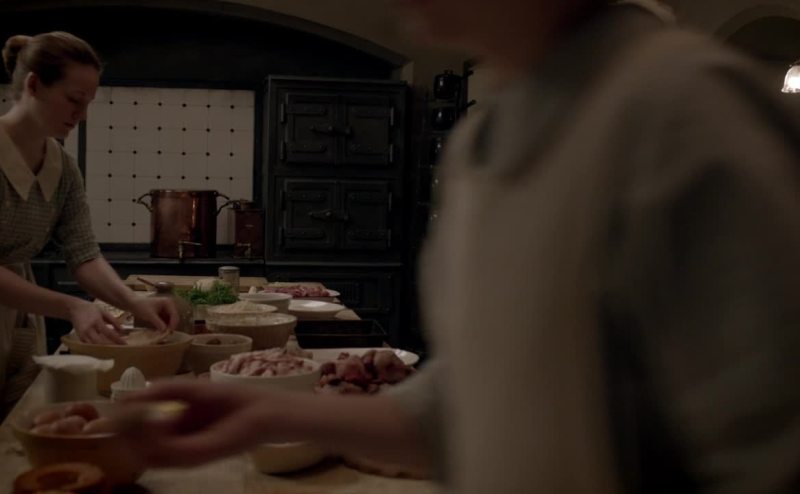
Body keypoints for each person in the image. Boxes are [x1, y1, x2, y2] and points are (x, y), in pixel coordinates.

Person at [121, 0, 800, 492]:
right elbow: (472, 407)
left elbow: (770, 454)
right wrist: (263, 412)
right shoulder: (485, 140)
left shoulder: (682, 110)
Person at [0, 31, 178, 416]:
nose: (81, 114)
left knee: (18, 425)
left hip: (20, 317)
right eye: (74, 99)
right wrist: (71, 307)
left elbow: (83, 254)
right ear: (34, 85)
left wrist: (135, 303)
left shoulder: (62, 168)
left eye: (88, 103)